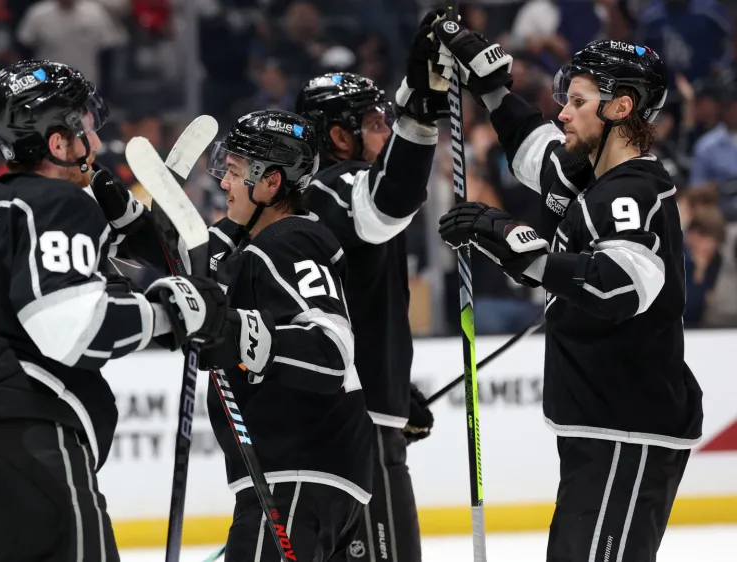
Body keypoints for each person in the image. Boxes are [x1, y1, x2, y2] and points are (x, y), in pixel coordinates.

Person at [0, 60, 227, 561]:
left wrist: (125, 226)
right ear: (59, 143)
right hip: (22, 437)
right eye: (89, 132)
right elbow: (70, 327)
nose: (96, 147)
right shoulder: (58, 202)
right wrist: (169, 313)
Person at [432, 23, 703, 562]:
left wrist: (518, 246)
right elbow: (533, 149)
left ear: (620, 108)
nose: (562, 113)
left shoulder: (632, 192)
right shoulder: (585, 175)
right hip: (600, 424)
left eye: (577, 101)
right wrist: (490, 87)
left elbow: (618, 287)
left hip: (629, 428)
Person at [291, 10, 452, 561]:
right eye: (377, 123)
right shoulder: (337, 184)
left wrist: (393, 386)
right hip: (355, 429)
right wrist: (422, 115)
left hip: (351, 413)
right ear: (340, 136)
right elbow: (386, 203)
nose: (387, 132)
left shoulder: (320, 191)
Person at [199, 109, 372, 562]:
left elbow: (331, 352)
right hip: (306, 476)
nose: (224, 184)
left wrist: (233, 331)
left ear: (271, 182)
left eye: (234, 173)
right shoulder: (256, 248)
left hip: (298, 473)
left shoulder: (289, 241)